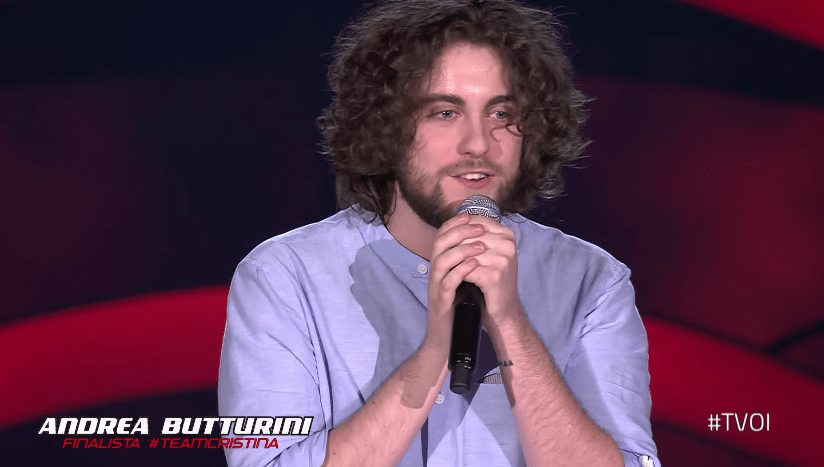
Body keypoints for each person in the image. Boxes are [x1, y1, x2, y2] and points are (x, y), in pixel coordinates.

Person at [218, 0, 659, 466]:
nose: (478, 144)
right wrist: (433, 353)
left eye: (502, 113)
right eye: (445, 112)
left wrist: (510, 323)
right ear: (385, 126)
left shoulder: (591, 281)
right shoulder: (284, 277)